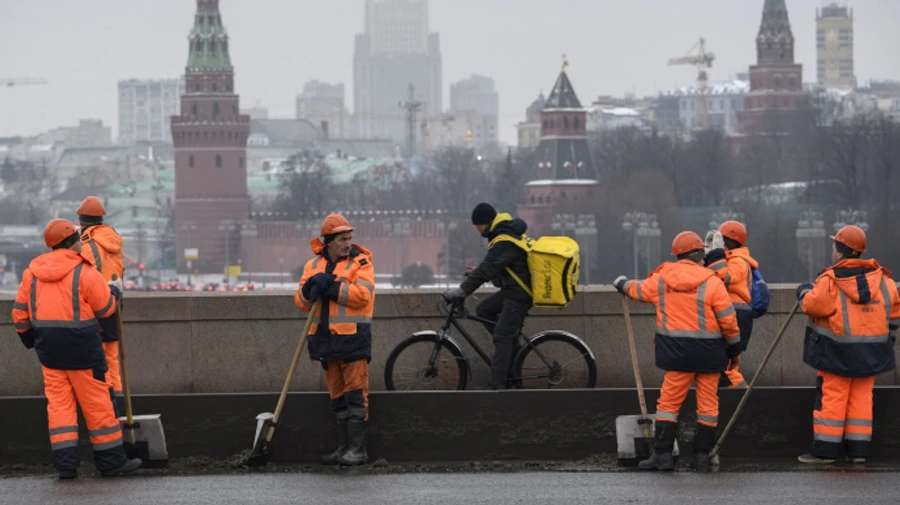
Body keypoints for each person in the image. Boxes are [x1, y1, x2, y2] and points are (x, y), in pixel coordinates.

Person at [11, 218, 141, 479]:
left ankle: (66, 466)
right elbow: (105, 309)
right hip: (83, 350)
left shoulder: (31, 273)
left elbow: (20, 315)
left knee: (59, 408)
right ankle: (111, 463)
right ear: (72, 243)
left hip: (50, 352)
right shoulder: (85, 272)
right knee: (98, 405)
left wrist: (31, 340)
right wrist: (114, 292)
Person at [613, 231, 742, 471]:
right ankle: (701, 457)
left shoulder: (663, 278)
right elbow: (728, 320)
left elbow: (639, 290)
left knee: (669, 404)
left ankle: (662, 455)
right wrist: (735, 350)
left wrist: (622, 283)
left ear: (678, 255)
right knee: (707, 406)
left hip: (676, 354)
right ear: (699, 256)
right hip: (710, 354)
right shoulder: (712, 281)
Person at [795, 225, 899, 465]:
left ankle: (825, 451)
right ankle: (858, 452)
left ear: (839, 253)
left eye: (834, 246)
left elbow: (812, 305)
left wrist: (803, 291)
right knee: (861, 400)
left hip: (836, 353)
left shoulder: (830, 281)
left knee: (832, 399)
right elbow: (894, 315)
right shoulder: (884, 281)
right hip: (872, 354)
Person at [294, 214, 375, 466]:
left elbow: (363, 295)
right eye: (342, 239)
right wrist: (309, 289)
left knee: (355, 397)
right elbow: (301, 302)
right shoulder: (312, 267)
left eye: (349, 238)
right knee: (338, 399)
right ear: (328, 242)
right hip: (326, 342)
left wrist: (330, 285)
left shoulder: (360, 263)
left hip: (352, 341)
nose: (347, 244)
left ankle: (358, 450)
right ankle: (342, 449)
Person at [442, 203, 532, 390]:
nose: (476, 229)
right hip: (513, 289)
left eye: (477, 225)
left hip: (520, 294)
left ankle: (498, 386)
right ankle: (511, 350)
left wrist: (462, 291)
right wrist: (477, 271)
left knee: (501, 336)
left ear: (485, 222)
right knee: (483, 310)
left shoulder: (504, 239)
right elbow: (500, 267)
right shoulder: (503, 235)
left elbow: (488, 269)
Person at [77, 195, 126, 414]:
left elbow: (85, 278)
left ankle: (103, 406)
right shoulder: (112, 241)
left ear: (81, 219)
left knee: (94, 360)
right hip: (114, 303)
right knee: (111, 357)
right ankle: (118, 401)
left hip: (95, 306)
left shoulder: (89, 245)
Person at [704, 221, 759, 389]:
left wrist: (715, 254)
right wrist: (708, 255)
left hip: (735, 318)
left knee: (726, 370)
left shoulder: (739, 262)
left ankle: (742, 398)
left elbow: (721, 278)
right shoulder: (731, 260)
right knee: (726, 367)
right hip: (732, 316)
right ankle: (738, 400)